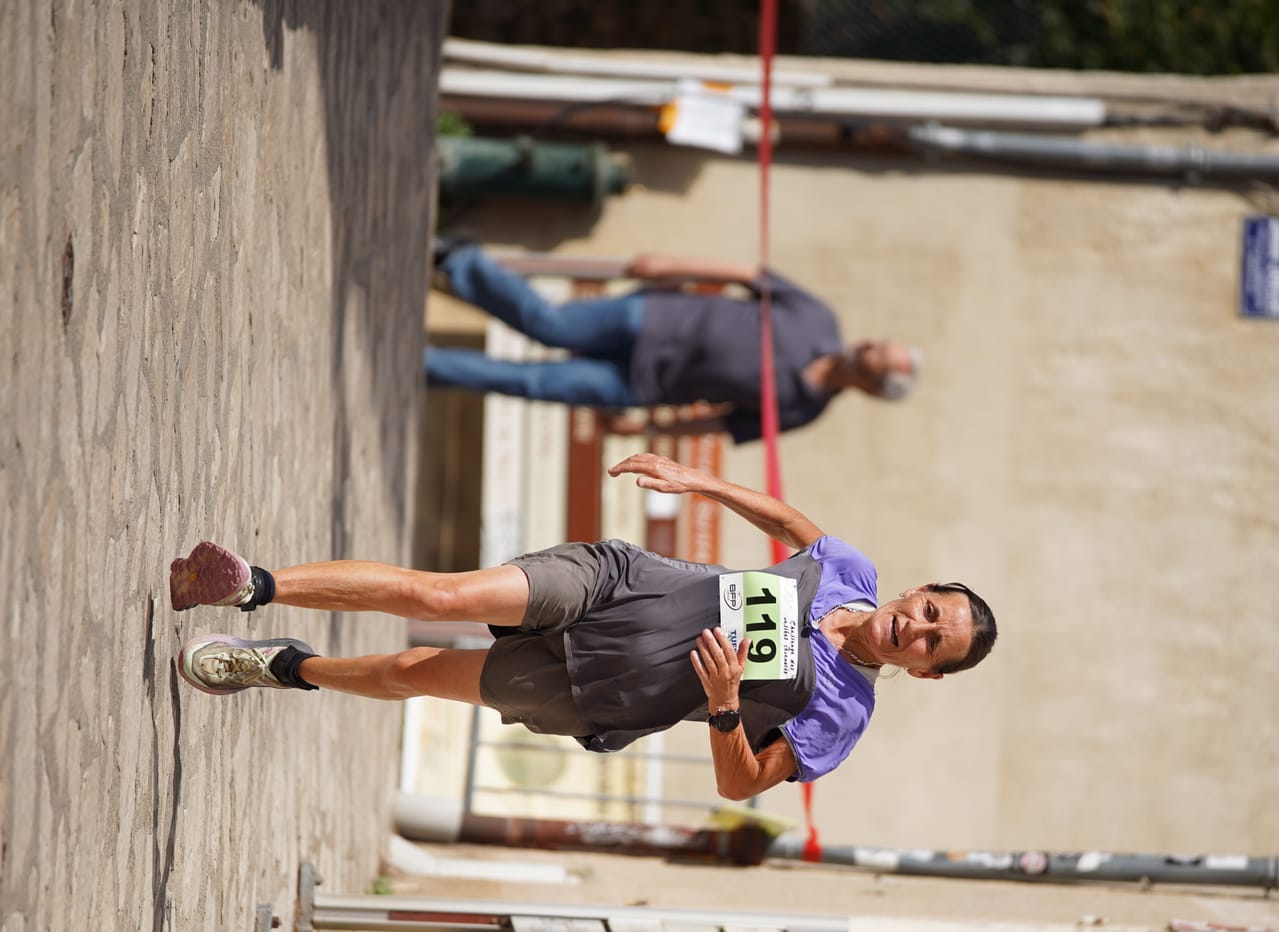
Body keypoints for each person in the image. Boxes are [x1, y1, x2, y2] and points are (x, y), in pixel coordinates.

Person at [168, 454, 995, 798]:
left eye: (933, 644)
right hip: (616, 587)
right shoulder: (849, 568)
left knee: (410, 671)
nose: (914, 630)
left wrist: (723, 703)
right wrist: (694, 480)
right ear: (917, 590)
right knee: (443, 597)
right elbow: (785, 516)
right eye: (929, 612)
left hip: (595, 690)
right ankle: (253, 585)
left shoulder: (842, 715)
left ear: (925, 673)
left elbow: (742, 782)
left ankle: (280, 667)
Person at [426, 241, 921, 446]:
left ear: (873, 386)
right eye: (880, 341)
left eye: (879, 355)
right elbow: (750, 275)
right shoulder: (818, 317)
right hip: (650, 319)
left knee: (530, 382)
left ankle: (425, 367)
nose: (870, 344)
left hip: (641, 384)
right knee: (548, 322)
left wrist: (646, 432)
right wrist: (670, 266)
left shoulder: (805, 409)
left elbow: (719, 423)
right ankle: (460, 260)